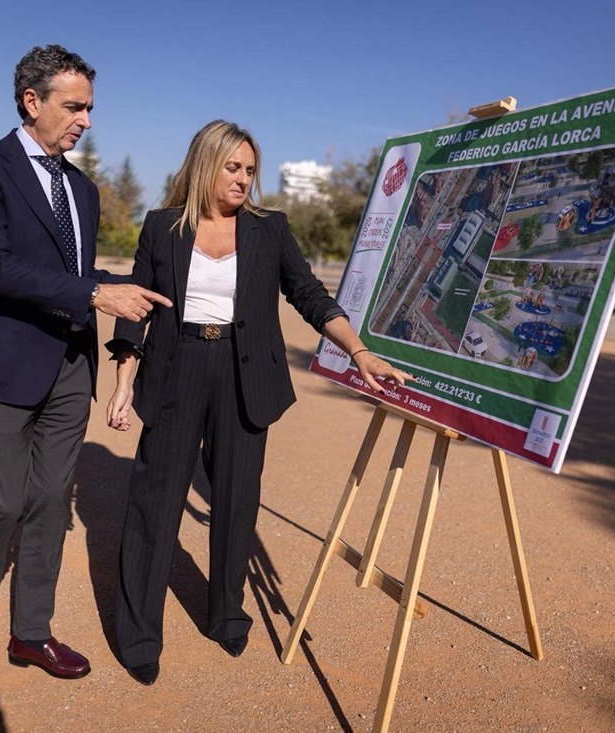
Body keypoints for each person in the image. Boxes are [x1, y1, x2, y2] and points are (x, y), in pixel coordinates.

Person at [105, 119, 410, 686]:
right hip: (176, 368)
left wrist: (358, 350)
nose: (244, 178)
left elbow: (308, 294)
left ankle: (225, 612)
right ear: (205, 165)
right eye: (233, 167)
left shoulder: (270, 229)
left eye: (250, 170)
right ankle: (140, 634)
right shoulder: (161, 226)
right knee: (155, 504)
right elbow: (137, 308)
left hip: (243, 375)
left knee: (237, 501)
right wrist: (124, 381)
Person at [0, 45, 171, 681]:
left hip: (73, 365)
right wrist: (95, 293)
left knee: (50, 500)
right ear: (32, 102)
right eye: (74, 107)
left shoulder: (83, 188)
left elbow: (70, 275)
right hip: (7, 361)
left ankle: (31, 632)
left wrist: (128, 288)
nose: (86, 120)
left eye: (90, 108)